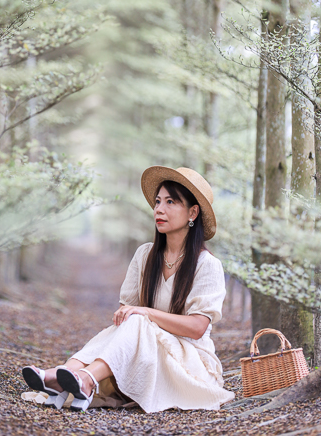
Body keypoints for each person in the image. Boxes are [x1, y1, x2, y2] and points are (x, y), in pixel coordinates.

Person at [22, 166, 235, 413]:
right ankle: (67, 374)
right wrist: (139, 314)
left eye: (170, 202)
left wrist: (146, 313)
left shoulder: (207, 265)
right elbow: (126, 314)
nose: (159, 209)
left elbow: (197, 328)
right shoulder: (145, 255)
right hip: (147, 352)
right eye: (157, 202)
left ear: (193, 212)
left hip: (189, 362)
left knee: (139, 320)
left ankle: (85, 379)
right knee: (133, 321)